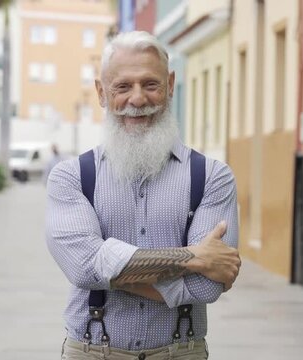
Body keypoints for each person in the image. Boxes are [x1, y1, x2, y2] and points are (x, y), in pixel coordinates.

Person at [45, 31, 241, 360]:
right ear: (101, 92)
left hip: (181, 352)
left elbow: (208, 287)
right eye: (123, 86)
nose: (137, 99)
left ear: (170, 85)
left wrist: (109, 270)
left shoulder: (212, 177)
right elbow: (82, 269)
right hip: (92, 352)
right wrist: (193, 258)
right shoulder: (71, 177)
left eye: (150, 84)